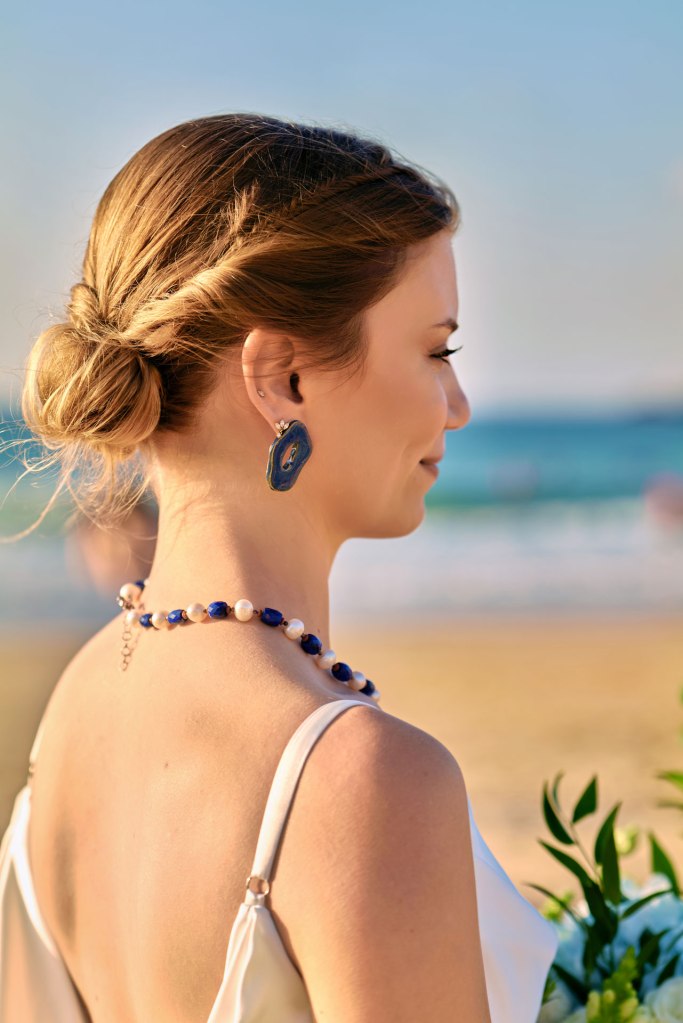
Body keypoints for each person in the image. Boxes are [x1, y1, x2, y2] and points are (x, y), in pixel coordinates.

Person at [0, 113, 558, 1022]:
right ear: (282, 380)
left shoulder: (76, 708)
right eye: (436, 350)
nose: (456, 404)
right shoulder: (366, 783)